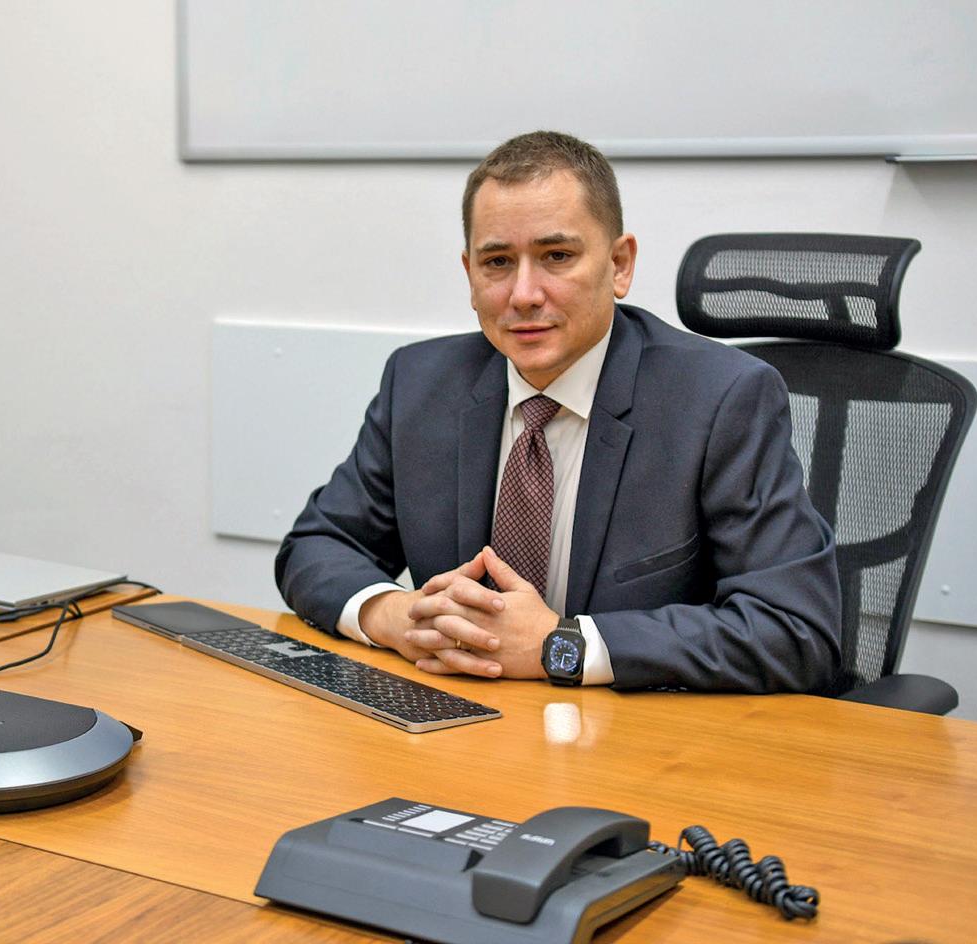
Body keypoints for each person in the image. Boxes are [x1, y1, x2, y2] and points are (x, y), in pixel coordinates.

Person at [274, 130, 841, 693]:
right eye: (498, 261)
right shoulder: (421, 384)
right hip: (455, 721)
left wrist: (561, 646)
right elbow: (317, 546)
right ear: (470, 275)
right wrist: (396, 616)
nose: (524, 294)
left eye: (557, 256)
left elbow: (794, 629)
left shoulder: (720, 399)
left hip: (635, 736)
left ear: (619, 264)